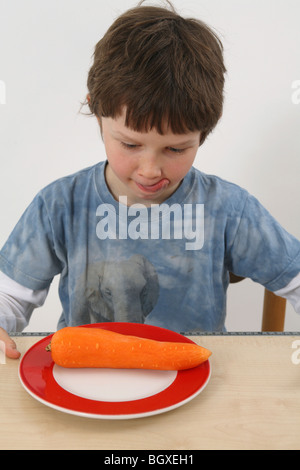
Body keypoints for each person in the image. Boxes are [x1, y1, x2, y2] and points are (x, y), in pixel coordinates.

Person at [1, 2, 300, 359]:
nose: (149, 170)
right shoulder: (59, 205)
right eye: (130, 144)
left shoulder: (228, 209)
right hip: (83, 382)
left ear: (204, 133)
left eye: (175, 149)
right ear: (97, 112)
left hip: (196, 387)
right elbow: (9, 295)